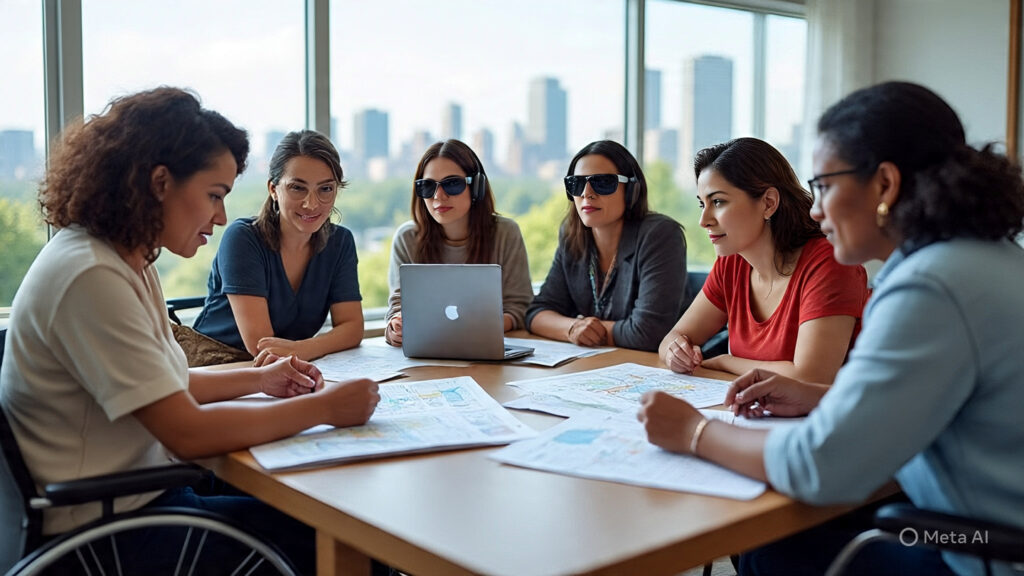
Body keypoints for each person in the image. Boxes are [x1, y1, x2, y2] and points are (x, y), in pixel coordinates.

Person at [638, 81, 1024, 576]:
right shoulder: (983, 257)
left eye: (823, 186)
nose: (815, 209)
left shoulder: (928, 286)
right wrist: (820, 399)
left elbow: (820, 466)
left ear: (884, 184)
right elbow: (935, 402)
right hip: (978, 528)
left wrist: (694, 431)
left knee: (772, 551)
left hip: (979, 552)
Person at [0, 88, 380, 575]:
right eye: (214, 195)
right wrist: (324, 408)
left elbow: (170, 383)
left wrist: (260, 380)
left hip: (140, 498)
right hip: (108, 534)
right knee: (338, 540)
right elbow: (187, 432)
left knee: (323, 509)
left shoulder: (126, 260)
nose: (221, 216)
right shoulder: (89, 275)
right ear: (160, 183)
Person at [659, 137, 868, 383]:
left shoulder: (829, 263)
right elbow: (672, 339)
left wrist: (725, 361)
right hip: (755, 414)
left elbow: (811, 377)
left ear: (768, 203)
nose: (703, 220)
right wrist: (676, 353)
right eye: (702, 204)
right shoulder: (732, 263)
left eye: (718, 202)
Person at [185, 129, 363, 367]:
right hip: (217, 365)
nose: (312, 203)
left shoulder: (340, 242)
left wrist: (302, 348)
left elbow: (352, 328)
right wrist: (308, 350)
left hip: (285, 367)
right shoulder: (243, 238)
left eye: (325, 189)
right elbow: (261, 345)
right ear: (273, 189)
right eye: (297, 188)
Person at [525, 140, 688, 352]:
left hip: (655, 369)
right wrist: (573, 328)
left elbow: (649, 333)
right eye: (576, 184)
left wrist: (592, 331)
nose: (587, 193)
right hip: (602, 367)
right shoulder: (572, 234)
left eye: (602, 183)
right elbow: (537, 313)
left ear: (631, 191)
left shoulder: (660, 235)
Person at [384, 139, 532, 346]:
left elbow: (520, 308)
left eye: (452, 184)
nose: (438, 196)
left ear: (477, 187)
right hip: (428, 354)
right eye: (427, 186)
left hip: (485, 348)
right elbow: (397, 308)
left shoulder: (506, 233)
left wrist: (474, 326)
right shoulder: (407, 238)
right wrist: (396, 328)